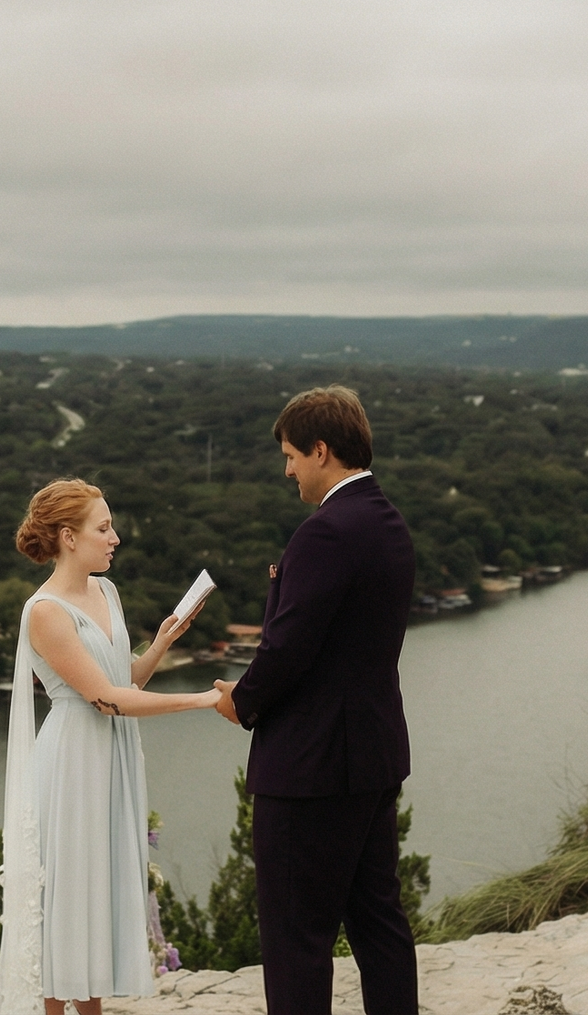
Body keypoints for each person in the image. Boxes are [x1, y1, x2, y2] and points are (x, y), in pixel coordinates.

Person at [213, 386, 419, 1015]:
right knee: (378, 921)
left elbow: (287, 651)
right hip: (373, 758)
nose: (287, 470)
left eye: (292, 456)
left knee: (296, 937)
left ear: (321, 450)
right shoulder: (388, 523)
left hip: (311, 770)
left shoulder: (324, 533)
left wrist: (239, 701)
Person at [0, 479, 219, 1015]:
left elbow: (125, 680)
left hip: (110, 760)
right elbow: (105, 700)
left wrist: (163, 639)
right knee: (66, 903)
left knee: (93, 899)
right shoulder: (44, 611)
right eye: (104, 528)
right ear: (69, 537)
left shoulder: (105, 592)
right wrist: (205, 700)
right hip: (72, 764)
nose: (115, 537)